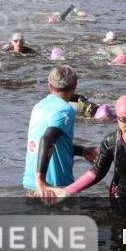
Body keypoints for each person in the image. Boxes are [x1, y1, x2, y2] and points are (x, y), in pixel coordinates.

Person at [51, 95, 126, 230]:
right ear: (116, 119)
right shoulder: (110, 142)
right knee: (124, 235)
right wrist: (68, 191)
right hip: (122, 195)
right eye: (124, 119)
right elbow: (96, 173)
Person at [22, 65, 97, 195]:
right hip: (53, 187)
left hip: (30, 185)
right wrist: (41, 180)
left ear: (49, 86)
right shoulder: (65, 110)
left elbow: (49, 142)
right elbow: (47, 139)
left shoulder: (38, 106)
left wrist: (81, 151)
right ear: (74, 87)